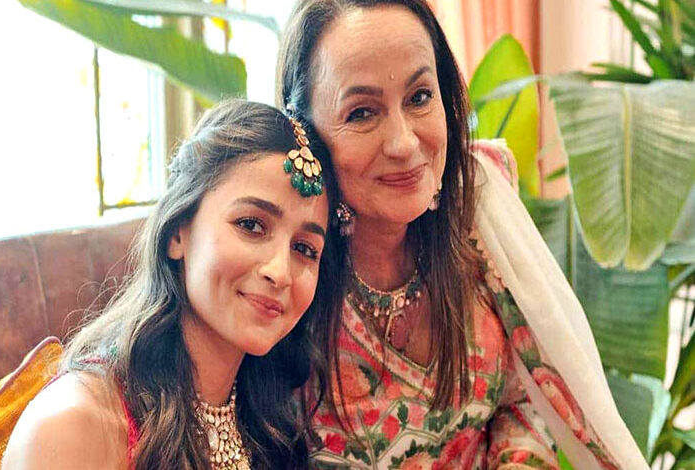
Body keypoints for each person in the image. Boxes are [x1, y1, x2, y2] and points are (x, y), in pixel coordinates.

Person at [276, 1, 649, 469]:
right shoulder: (278, 273)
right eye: (362, 112)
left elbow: (524, 395)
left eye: (419, 97)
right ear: (303, 133)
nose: (404, 143)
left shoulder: (479, 211)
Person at [1, 100, 344, 470]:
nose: (280, 271)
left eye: (305, 249)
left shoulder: (269, 423)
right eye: (251, 225)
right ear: (177, 233)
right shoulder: (74, 426)